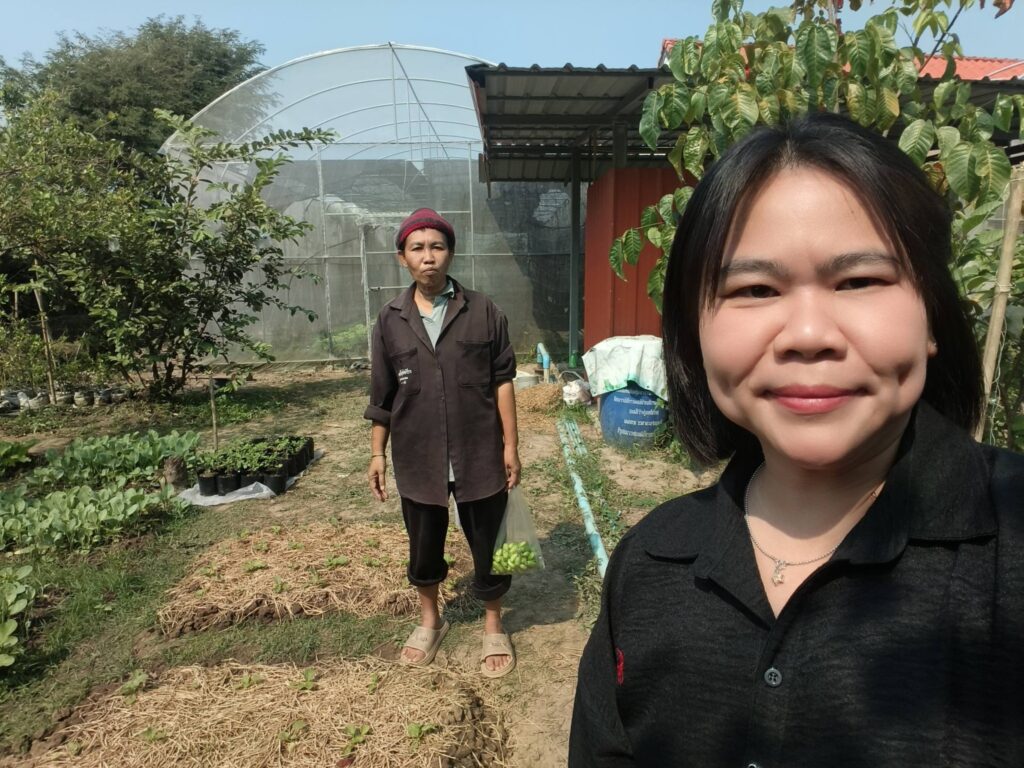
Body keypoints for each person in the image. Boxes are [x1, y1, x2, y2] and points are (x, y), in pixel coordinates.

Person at [568, 113, 1024, 766]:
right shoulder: (649, 565)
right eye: (755, 289)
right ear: (694, 333)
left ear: (931, 316)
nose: (809, 335)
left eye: (859, 281)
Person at [364, 207, 521, 679]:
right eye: (417, 248)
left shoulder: (483, 311)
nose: (428, 257)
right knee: (423, 543)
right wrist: (377, 453)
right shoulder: (390, 320)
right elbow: (382, 395)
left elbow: (503, 381)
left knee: (490, 541)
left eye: (437, 246)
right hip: (418, 455)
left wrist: (510, 445)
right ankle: (430, 620)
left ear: (450, 253)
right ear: (402, 258)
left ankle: (494, 624)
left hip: (478, 451)